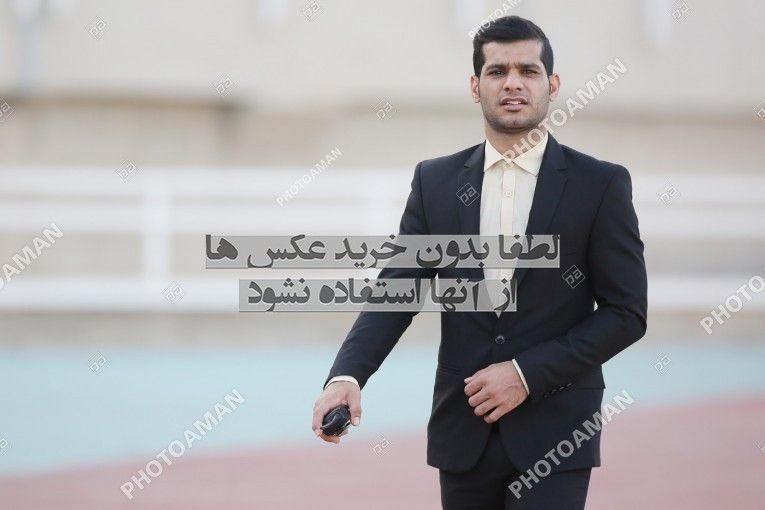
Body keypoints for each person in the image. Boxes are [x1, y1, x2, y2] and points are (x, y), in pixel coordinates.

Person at [311, 15, 647, 510]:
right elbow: (397, 292)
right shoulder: (435, 182)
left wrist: (526, 374)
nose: (513, 83)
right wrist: (347, 377)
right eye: (497, 71)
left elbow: (626, 313)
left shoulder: (600, 185)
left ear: (552, 85)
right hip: (463, 435)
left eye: (528, 71)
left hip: (557, 436)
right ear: (475, 86)